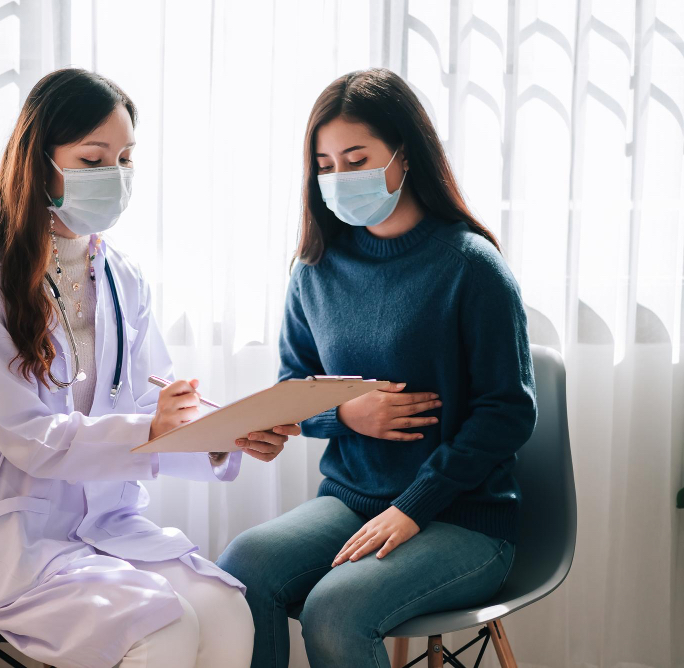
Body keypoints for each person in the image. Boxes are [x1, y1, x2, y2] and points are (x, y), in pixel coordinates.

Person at [0, 68, 299, 668]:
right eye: (93, 160)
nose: (114, 177)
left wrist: (225, 435)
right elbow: (27, 438)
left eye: (124, 159)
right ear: (39, 163)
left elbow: (154, 408)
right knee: (161, 627)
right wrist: (152, 429)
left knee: (225, 606)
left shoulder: (122, 278)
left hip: (106, 521)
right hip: (15, 538)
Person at [216, 68, 537, 667]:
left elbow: (508, 412)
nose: (339, 177)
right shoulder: (315, 269)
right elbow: (295, 391)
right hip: (351, 501)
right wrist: (345, 416)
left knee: (335, 608)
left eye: (356, 158)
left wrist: (414, 505)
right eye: (326, 163)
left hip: (463, 518)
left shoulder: (471, 266)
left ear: (403, 155)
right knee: (240, 569)